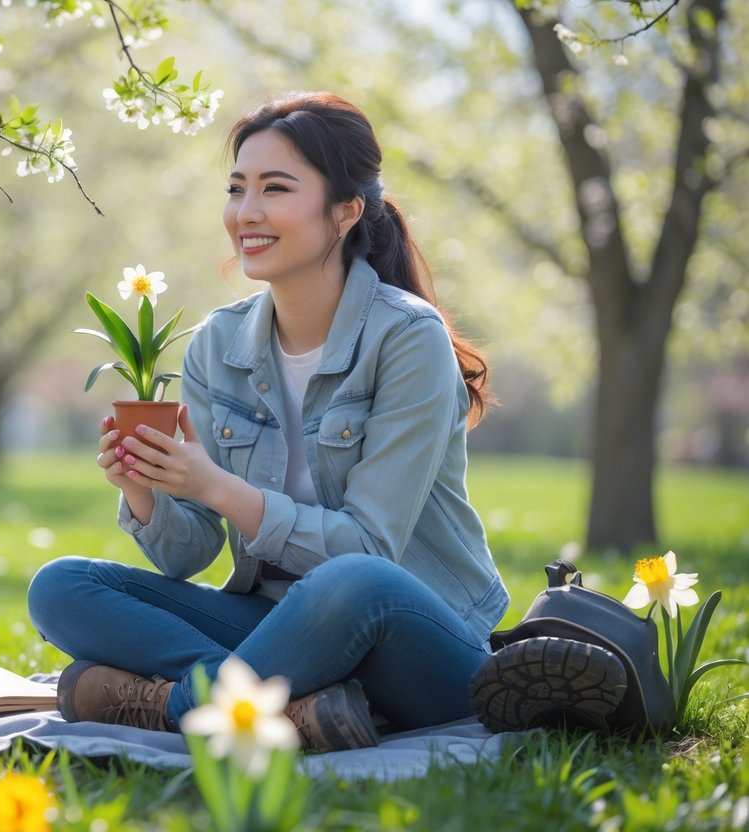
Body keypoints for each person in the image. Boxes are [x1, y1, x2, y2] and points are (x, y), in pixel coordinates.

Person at [27, 91, 509, 751]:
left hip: (414, 638)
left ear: (345, 211)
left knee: (348, 582)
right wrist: (144, 488)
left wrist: (219, 489)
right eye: (236, 189)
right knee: (62, 586)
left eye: (275, 189)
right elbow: (188, 553)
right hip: (273, 629)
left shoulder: (405, 338)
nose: (246, 213)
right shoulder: (216, 344)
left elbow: (368, 552)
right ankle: (297, 707)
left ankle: (178, 709)